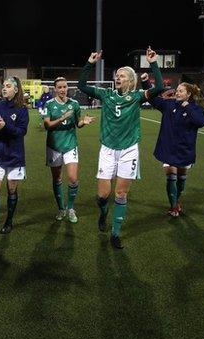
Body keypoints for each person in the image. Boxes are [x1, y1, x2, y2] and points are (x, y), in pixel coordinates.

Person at [77, 48, 164, 249]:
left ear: (130, 81)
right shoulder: (105, 94)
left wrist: (153, 63)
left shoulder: (137, 96)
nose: (118, 78)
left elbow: (159, 87)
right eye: (117, 75)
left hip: (128, 150)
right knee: (102, 196)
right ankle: (104, 212)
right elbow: (81, 85)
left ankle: (115, 233)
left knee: (121, 195)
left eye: (122, 76)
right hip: (107, 149)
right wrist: (90, 63)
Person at [142, 74, 204, 217]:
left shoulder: (195, 109)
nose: (177, 92)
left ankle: (177, 200)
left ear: (188, 94)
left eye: (181, 91)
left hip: (185, 149)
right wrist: (145, 82)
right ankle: (173, 206)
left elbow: (201, 122)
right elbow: (153, 99)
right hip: (168, 148)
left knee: (182, 177)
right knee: (171, 174)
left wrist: (187, 106)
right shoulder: (169, 105)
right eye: (177, 90)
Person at [44, 77, 95, 223]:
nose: (62, 90)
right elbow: (47, 125)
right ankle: (61, 208)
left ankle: (71, 208)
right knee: (57, 178)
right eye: (59, 87)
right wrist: (61, 118)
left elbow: (77, 123)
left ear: (68, 88)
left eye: (64, 87)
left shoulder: (74, 104)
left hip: (70, 144)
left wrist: (83, 122)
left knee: (73, 178)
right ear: (55, 89)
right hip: (53, 145)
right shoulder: (49, 104)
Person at [0, 76, 29, 237]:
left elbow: (21, 131)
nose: (4, 88)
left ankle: (9, 221)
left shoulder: (22, 109)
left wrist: (5, 126)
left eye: (8, 86)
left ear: (16, 90)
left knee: (11, 190)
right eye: (4, 86)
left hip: (15, 156)